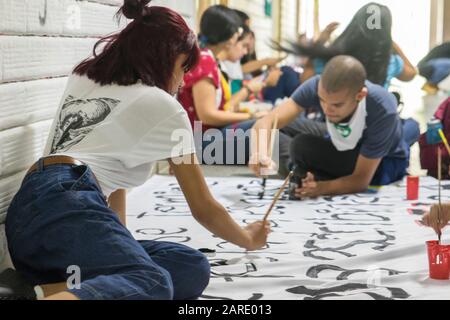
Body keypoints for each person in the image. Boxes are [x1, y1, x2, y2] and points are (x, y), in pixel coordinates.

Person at [0, 0, 270, 300]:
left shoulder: (85, 76)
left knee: (188, 267)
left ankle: (31, 291)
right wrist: (247, 238)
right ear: (164, 58)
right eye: (183, 68)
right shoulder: (166, 109)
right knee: (152, 282)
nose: (181, 82)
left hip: (28, 221)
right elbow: (203, 207)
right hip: (67, 204)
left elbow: (112, 177)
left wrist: (119, 242)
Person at [250, 55, 415, 199]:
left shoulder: (382, 108)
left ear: (360, 96)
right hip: (339, 137)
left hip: (380, 161)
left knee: (300, 147)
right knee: (285, 128)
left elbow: (360, 181)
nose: (327, 109)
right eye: (322, 100)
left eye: (337, 104)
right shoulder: (316, 85)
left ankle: (308, 173)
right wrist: (260, 153)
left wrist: (320, 189)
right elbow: (266, 122)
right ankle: (303, 171)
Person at [178, 5, 268, 165]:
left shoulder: (208, 58)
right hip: (202, 144)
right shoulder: (204, 61)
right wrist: (251, 116)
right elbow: (207, 115)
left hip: (207, 138)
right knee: (267, 128)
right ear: (230, 37)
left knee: (270, 126)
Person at [274, 2, 417, 89]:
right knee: (412, 126)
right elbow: (412, 73)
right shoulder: (388, 61)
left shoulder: (336, 58)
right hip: (374, 128)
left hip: (335, 126)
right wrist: (390, 42)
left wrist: (320, 43)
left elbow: (304, 80)